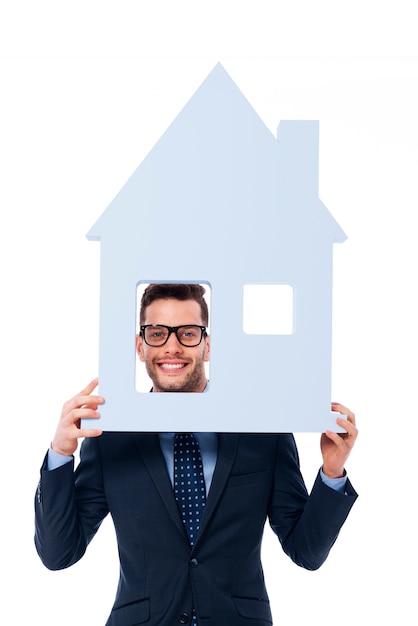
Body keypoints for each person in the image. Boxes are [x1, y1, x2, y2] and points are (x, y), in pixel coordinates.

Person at [35, 283, 358, 626]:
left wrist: (333, 472)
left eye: (187, 333)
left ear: (207, 345)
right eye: (157, 333)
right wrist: (60, 455)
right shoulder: (109, 437)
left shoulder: (262, 429)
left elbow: (305, 551)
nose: (172, 347)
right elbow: (59, 553)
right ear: (139, 346)